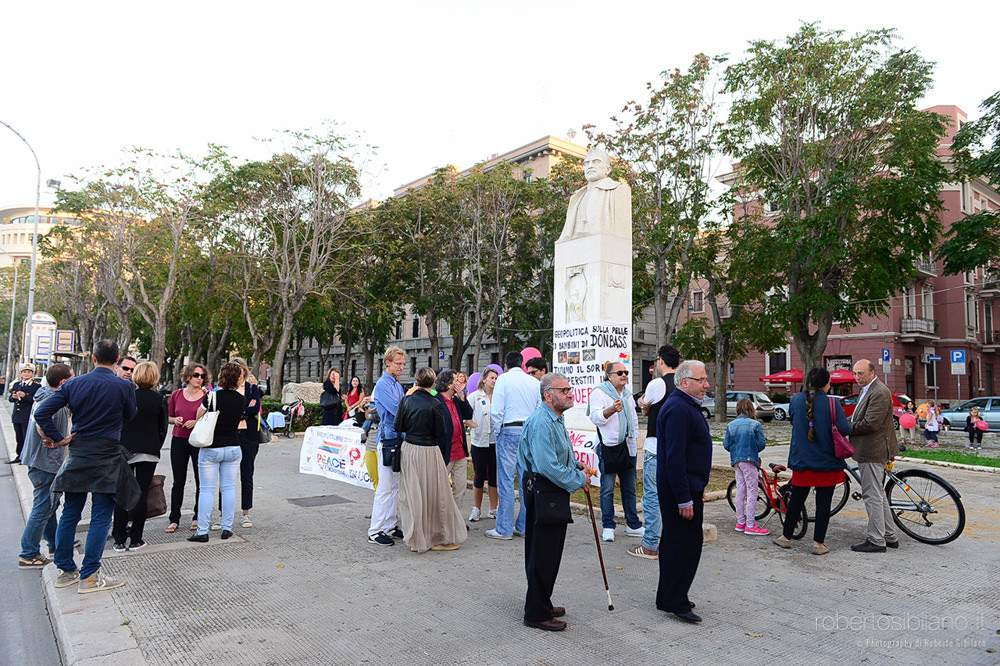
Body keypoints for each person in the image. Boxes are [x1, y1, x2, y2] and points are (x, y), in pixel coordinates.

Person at [34, 339, 139, 593]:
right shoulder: (124, 386)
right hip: (107, 453)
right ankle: (90, 575)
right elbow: (131, 415)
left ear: (93, 358)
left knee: (71, 512)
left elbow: (41, 413)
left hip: (79, 452)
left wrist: (58, 439)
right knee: (102, 514)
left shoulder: (73, 384)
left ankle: (66, 570)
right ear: (116, 361)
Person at [518, 372, 590, 631]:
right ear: (548, 395)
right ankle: (536, 612)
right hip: (544, 492)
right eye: (564, 390)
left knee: (550, 553)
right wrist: (577, 479)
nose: (570, 394)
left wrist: (575, 465)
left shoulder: (555, 419)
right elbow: (547, 465)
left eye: (570, 389)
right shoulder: (542, 422)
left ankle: (542, 602)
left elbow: (557, 455)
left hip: (552, 491)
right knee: (542, 554)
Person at [655, 360, 712, 623]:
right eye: (701, 380)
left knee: (676, 543)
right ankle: (676, 600)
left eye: (706, 380)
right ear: (685, 382)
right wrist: (684, 498)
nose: (706, 385)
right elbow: (674, 458)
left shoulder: (684, 406)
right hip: (681, 491)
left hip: (686, 488)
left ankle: (669, 595)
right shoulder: (679, 408)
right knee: (684, 545)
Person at [773, 368, 851, 555]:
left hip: (803, 459)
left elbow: (794, 422)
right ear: (826, 384)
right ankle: (818, 544)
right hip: (828, 461)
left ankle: (786, 537)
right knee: (823, 503)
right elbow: (844, 428)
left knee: (797, 500)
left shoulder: (796, 400)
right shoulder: (833, 403)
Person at [394, 367, 468, 553]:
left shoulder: (406, 400)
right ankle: (436, 537)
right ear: (433, 383)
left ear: (416, 381)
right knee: (435, 495)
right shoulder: (435, 403)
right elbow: (441, 431)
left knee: (413, 494)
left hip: (409, 449)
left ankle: (416, 537)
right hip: (429, 450)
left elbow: (398, 426)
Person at [17, 363, 73, 568]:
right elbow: (42, 424)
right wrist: (59, 439)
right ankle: (29, 552)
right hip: (45, 462)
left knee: (50, 505)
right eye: (73, 378)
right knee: (43, 507)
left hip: (37, 460)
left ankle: (54, 543)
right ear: (64, 382)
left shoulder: (42, 394)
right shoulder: (53, 401)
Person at [112, 361, 169, 552]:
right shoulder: (159, 399)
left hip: (125, 450)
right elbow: (163, 428)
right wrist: (155, 446)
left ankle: (119, 539)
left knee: (121, 494)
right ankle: (136, 538)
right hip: (149, 450)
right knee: (142, 493)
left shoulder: (126, 396)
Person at [629, 344, 679, 560]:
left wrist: (644, 406)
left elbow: (645, 408)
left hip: (656, 447)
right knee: (675, 496)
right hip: (677, 448)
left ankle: (650, 545)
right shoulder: (684, 383)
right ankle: (673, 541)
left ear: (660, 361)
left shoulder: (657, 383)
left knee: (652, 496)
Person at [187, 362, 246, 542]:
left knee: (206, 489)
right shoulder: (241, 399)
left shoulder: (212, 396)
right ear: (237, 379)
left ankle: (202, 531)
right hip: (233, 447)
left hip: (211, 447)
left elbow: (199, 416)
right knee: (228, 489)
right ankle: (227, 528)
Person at [848, 359, 900, 553]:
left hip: (873, 450)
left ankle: (876, 539)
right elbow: (857, 418)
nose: (857, 378)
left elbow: (870, 424)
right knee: (878, 494)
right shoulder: (867, 390)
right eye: (855, 373)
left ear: (872, 373)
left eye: (861, 374)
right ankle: (889, 535)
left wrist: (845, 427)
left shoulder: (879, 391)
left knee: (872, 495)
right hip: (871, 449)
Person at [487, 351, 539, 540]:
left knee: (506, 481)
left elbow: (497, 409)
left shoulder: (503, 380)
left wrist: (498, 430)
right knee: (527, 481)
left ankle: (504, 528)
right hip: (527, 432)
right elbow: (538, 409)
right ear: (523, 364)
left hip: (508, 429)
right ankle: (523, 526)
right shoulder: (534, 382)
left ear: (506, 365)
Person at [588, 361, 642, 542]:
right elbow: (595, 418)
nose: (624, 375)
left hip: (628, 446)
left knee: (629, 488)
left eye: (626, 372)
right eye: (620, 373)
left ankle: (633, 525)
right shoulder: (599, 392)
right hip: (609, 448)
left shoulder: (627, 394)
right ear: (609, 376)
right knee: (607, 489)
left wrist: (634, 443)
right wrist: (612, 409)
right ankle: (608, 525)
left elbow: (633, 419)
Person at [367, 346, 406, 546]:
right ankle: (375, 530)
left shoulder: (397, 385)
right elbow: (397, 410)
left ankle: (390, 524)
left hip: (398, 438)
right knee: (385, 486)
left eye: (403, 364)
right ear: (388, 362)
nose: (401, 367)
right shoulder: (383, 385)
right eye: (398, 363)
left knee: (394, 486)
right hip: (389, 438)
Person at [166, 363, 211, 533]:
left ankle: (197, 516)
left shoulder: (207, 396)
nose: (199, 378)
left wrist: (197, 421)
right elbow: (168, 417)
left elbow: (211, 418)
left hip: (198, 442)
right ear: (187, 377)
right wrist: (175, 420)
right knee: (178, 481)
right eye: (196, 375)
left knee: (201, 481)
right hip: (178, 440)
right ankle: (174, 518)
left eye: (201, 376)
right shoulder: (177, 395)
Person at [557, 148, 632, 242]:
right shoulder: (576, 196)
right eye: (586, 163)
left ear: (608, 169)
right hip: (576, 247)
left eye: (596, 162)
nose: (590, 166)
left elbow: (622, 234)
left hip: (603, 247)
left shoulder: (618, 189)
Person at [723, 398, 769, 536]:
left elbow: (726, 445)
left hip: (736, 460)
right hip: (749, 460)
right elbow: (761, 443)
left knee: (741, 490)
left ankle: (740, 522)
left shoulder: (731, 425)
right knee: (752, 491)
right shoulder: (755, 424)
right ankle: (750, 524)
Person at [433, 369, 473, 510]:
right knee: (440, 490)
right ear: (449, 385)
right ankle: (441, 521)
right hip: (445, 453)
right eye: (456, 380)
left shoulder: (457, 400)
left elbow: (469, 415)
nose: (459, 383)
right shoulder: (436, 401)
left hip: (460, 453)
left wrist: (463, 397)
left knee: (460, 489)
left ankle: (455, 521)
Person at [233, 358, 262, 528]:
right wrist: (244, 410)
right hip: (230, 435)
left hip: (249, 436)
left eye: (239, 369)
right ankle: (223, 513)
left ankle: (246, 512)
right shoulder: (226, 389)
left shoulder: (252, 388)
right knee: (227, 477)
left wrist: (240, 411)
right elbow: (226, 411)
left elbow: (254, 408)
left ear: (244, 370)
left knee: (247, 474)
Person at [467, 367, 499, 521]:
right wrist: (474, 425)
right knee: (479, 476)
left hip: (495, 441)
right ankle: (476, 508)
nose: (494, 381)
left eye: (496, 378)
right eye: (491, 378)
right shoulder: (475, 397)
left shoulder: (500, 396)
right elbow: (465, 415)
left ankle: (493, 509)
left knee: (494, 476)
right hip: (479, 442)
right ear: (484, 379)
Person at [7, 364, 41, 464]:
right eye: (24, 372)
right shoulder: (17, 384)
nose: (26, 374)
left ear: (32, 374)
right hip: (17, 415)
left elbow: (36, 399)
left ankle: (26, 456)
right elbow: (10, 398)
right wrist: (13, 397)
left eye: (28, 372)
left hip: (27, 415)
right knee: (19, 437)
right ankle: (19, 455)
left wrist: (25, 396)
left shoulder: (35, 386)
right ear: (21, 373)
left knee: (27, 436)